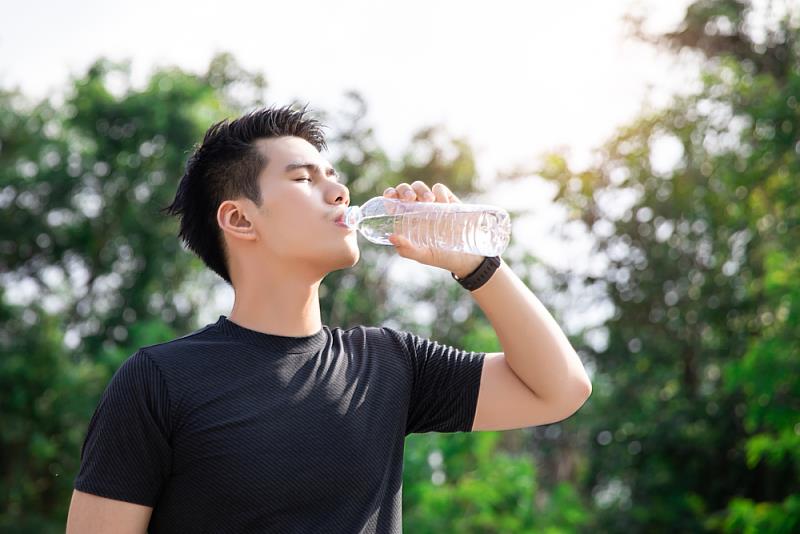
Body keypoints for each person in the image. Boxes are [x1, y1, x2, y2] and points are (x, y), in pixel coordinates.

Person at [65, 105, 592, 533]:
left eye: (334, 176)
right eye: (303, 177)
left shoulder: (389, 364)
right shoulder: (159, 381)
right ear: (239, 218)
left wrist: (476, 265)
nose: (339, 191)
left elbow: (559, 389)